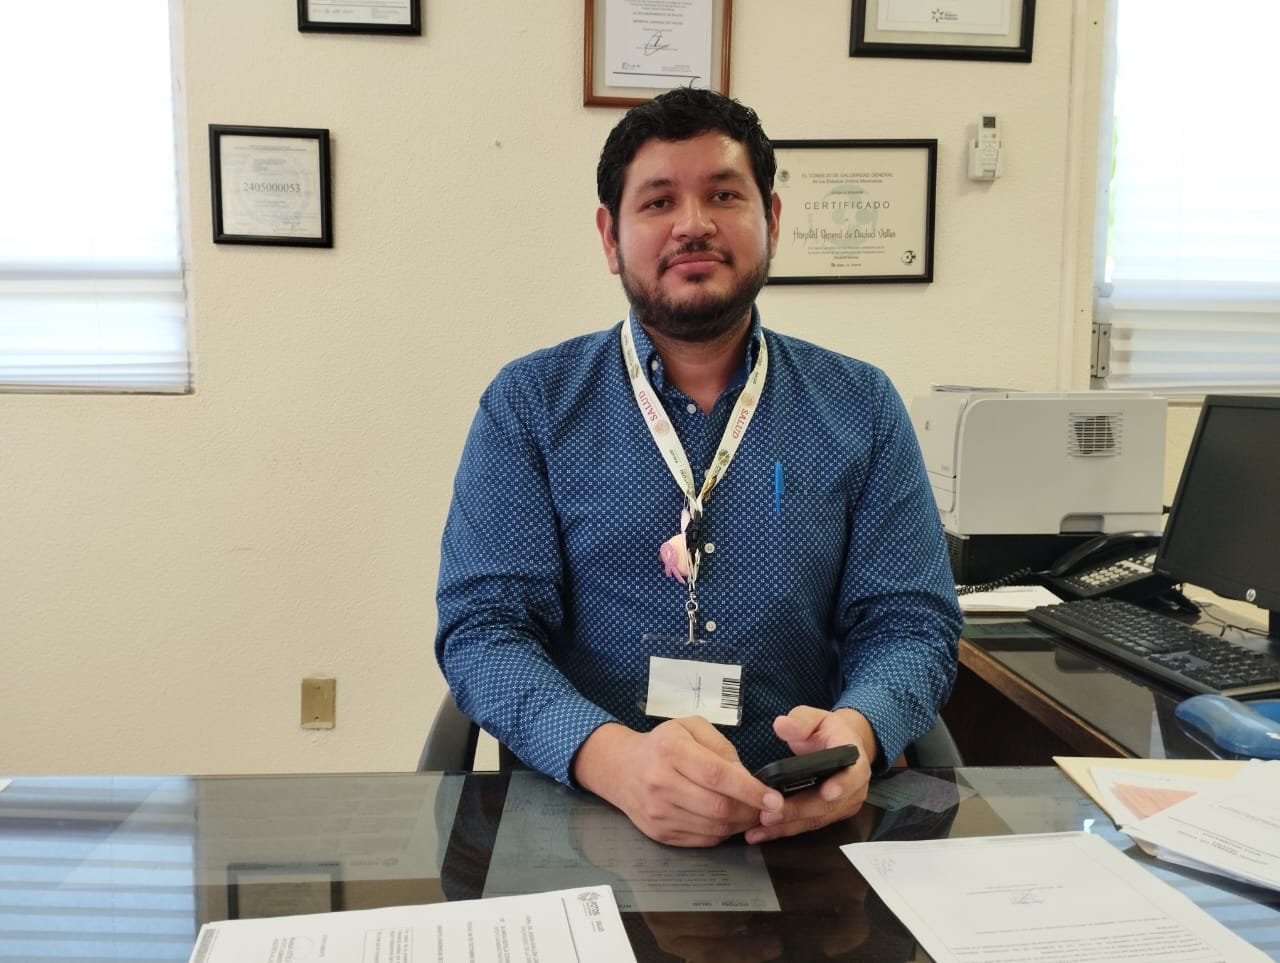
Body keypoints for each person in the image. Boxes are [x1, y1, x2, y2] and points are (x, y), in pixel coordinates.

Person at [435, 86, 961, 848]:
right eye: (658, 202)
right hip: (588, 820)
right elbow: (484, 630)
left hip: (798, 819)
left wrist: (859, 730)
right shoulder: (531, 405)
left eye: (723, 195)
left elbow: (911, 623)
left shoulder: (862, 407)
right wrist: (616, 761)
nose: (693, 224)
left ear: (771, 220)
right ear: (611, 237)